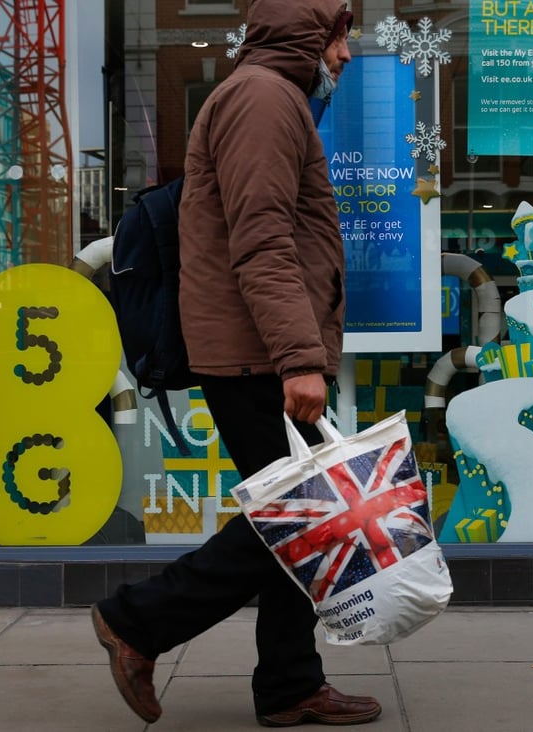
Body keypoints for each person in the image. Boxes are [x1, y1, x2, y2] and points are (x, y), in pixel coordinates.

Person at [90, 1, 382, 727]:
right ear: (304, 33)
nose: (345, 55)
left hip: (259, 353)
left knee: (301, 519)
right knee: (300, 517)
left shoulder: (270, 95)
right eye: (338, 36)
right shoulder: (262, 99)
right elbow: (261, 242)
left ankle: (289, 684)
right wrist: (298, 360)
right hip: (258, 359)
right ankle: (137, 621)